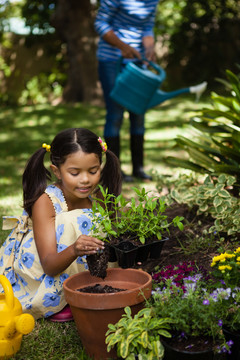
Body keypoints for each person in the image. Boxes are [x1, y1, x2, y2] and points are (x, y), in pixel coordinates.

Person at [0, 128, 122, 321]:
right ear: (56, 171)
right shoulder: (46, 202)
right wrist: (74, 249)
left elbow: (113, 235)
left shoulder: (98, 196)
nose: (85, 179)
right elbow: (49, 265)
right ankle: (59, 298)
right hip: (44, 267)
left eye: (93, 171)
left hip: (81, 260)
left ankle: (82, 285)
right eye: (74, 172)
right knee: (71, 220)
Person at [95, 0, 159, 182]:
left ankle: (138, 168)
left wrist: (148, 50)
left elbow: (147, 26)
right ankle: (115, 171)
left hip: (137, 62)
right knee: (115, 114)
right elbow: (100, 23)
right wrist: (123, 47)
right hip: (111, 60)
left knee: (138, 112)